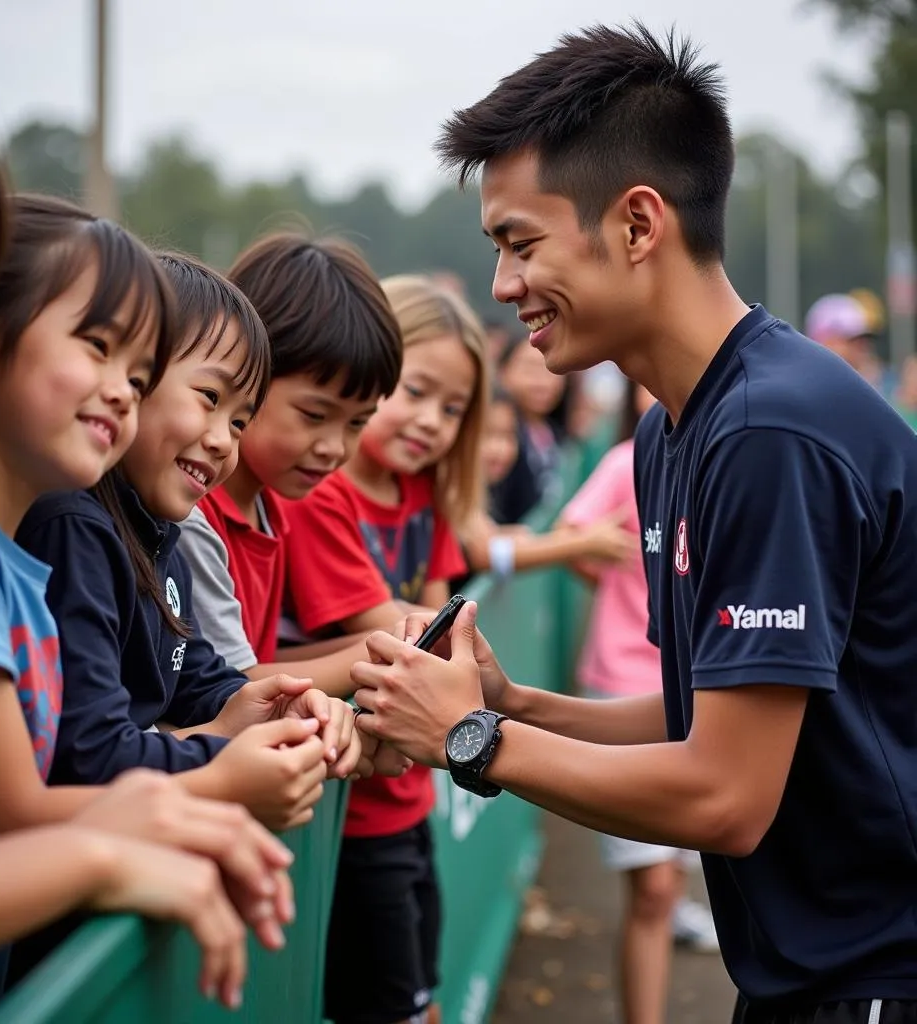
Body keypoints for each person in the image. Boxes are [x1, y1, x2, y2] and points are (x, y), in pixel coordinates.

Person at [351, 23, 917, 1024]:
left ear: (638, 223)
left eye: (521, 243)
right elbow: (700, 713)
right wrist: (514, 704)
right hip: (804, 975)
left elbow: (724, 799)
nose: (502, 286)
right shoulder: (670, 434)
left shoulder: (770, 429)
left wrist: (469, 738)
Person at [0, 78, 287, 1024]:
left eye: (140, 371)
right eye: (98, 347)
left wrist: (230, 719)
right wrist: (213, 777)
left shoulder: (8, 550)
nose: (122, 391)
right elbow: (19, 815)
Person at [15, 251, 359, 831]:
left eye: (241, 421)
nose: (225, 441)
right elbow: (91, 755)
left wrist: (277, 705)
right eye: (210, 398)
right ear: (134, 380)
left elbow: (196, 673)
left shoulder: (160, 531)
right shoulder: (72, 527)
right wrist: (224, 751)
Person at [282, 274, 485, 1024]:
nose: (432, 422)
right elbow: (410, 638)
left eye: (453, 407)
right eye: (415, 391)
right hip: (353, 813)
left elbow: (436, 623)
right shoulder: (323, 494)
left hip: (408, 795)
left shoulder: (425, 495)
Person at [177, 232, 403, 696]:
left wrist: (385, 642)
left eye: (357, 423)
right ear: (247, 372)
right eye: (314, 415)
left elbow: (257, 660)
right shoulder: (191, 511)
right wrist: (388, 650)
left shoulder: (269, 506)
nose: (333, 447)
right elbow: (237, 688)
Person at [559, 378, 715, 1024]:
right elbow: (573, 531)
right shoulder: (629, 458)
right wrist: (622, 584)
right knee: (652, 887)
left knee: (670, 880)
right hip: (623, 679)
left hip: (696, 686)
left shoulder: (722, 452)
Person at [458, 384, 637, 581]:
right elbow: (485, 554)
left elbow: (488, 539)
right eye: (486, 435)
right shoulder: (453, 492)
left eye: (508, 435)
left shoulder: (473, 495)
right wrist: (584, 543)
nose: (499, 448)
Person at [488, 335, 567, 523]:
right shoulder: (495, 434)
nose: (542, 380)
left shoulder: (561, 437)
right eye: (530, 368)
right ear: (502, 371)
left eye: (550, 369)